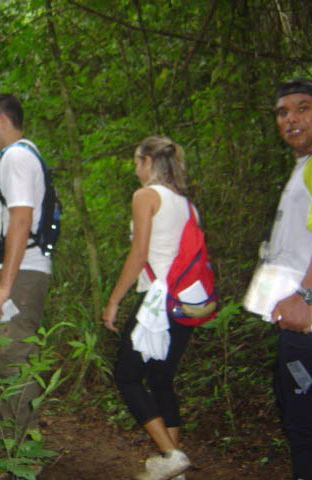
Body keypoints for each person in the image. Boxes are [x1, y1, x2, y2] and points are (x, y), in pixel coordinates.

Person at [102, 136, 194, 480]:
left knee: (126, 376)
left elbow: (139, 255)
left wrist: (114, 301)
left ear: (147, 162)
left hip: (155, 303)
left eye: (136, 161)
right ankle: (175, 469)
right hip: (184, 304)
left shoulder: (145, 196)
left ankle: (171, 456)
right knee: (161, 381)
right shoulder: (186, 203)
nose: (135, 168)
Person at [265, 77, 312, 480]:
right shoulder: (309, 165)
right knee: (307, 420)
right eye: (282, 112)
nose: (291, 118)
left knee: (303, 427)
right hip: (306, 316)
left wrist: (306, 296)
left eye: (303, 108)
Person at [0, 94, 52, 443]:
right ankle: (13, 448)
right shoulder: (19, 157)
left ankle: (22, 456)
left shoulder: (16, 157)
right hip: (15, 270)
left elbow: (22, 219)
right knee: (5, 357)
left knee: (14, 357)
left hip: (17, 273)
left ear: (3, 121)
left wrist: (5, 285)